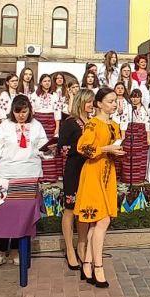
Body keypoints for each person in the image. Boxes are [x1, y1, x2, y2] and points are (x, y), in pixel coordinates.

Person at [0, 94, 48, 266]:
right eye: (17, 112)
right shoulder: (4, 126)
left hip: (29, 174)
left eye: (24, 111)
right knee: (4, 214)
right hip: (7, 175)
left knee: (21, 215)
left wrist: (49, 149)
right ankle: (2, 250)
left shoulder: (37, 125)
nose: (21, 115)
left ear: (29, 110)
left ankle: (18, 249)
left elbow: (44, 148)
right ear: (12, 111)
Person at [75, 87, 124, 288]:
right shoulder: (93, 124)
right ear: (99, 103)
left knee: (98, 222)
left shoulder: (115, 125)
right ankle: (98, 266)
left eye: (115, 101)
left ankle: (86, 263)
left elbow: (113, 148)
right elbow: (82, 148)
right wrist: (106, 149)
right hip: (93, 172)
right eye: (110, 101)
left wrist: (115, 152)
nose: (114, 104)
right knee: (101, 220)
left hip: (108, 172)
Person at [58, 89, 94, 270]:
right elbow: (62, 148)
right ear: (80, 101)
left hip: (90, 170)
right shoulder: (70, 122)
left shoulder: (93, 122)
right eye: (88, 101)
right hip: (74, 170)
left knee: (84, 208)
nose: (91, 105)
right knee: (71, 208)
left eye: (92, 101)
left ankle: (81, 245)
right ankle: (69, 249)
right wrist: (80, 149)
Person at [119, 89, 150, 183]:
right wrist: (123, 136)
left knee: (141, 156)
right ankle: (128, 178)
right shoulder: (128, 107)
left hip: (142, 133)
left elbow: (147, 122)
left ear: (140, 97)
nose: (135, 99)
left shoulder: (144, 108)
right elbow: (123, 121)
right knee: (129, 156)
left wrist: (148, 136)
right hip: (130, 132)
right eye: (133, 97)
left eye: (137, 97)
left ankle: (139, 178)